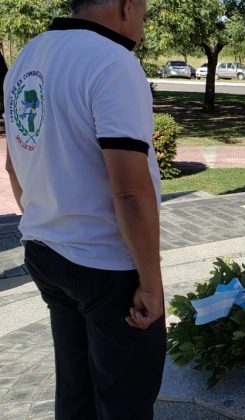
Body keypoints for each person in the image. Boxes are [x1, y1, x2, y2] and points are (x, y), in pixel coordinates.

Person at [3, 0, 166, 419]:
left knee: (76, 391)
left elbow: (12, 162)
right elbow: (130, 189)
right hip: (106, 265)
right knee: (124, 400)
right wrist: (151, 284)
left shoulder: (29, 54)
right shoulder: (113, 62)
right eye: (145, 11)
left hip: (45, 251)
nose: (145, 22)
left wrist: (48, 220)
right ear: (127, 4)